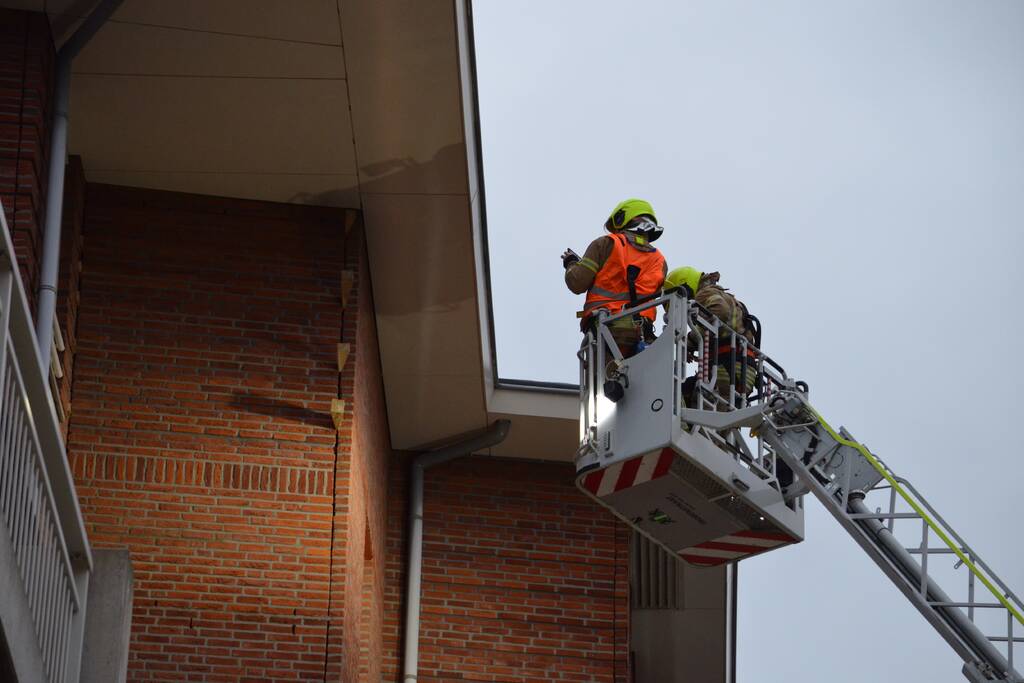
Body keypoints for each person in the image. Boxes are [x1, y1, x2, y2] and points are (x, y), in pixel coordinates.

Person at [562, 199, 667, 357]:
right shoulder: (660, 260)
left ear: (621, 219)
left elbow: (577, 283)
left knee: (603, 380)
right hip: (642, 334)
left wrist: (571, 263)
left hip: (607, 327)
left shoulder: (606, 243)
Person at [665, 266, 758, 408]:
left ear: (684, 287)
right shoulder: (724, 296)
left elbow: (719, 312)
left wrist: (690, 340)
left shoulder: (703, 294)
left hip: (725, 370)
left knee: (677, 397)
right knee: (724, 420)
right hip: (744, 371)